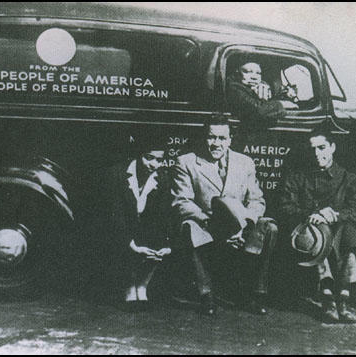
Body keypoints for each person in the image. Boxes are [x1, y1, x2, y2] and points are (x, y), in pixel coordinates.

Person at [171, 116, 278, 316]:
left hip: (240, 225)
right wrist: (212, 224)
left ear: (230, 140)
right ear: (205, 138)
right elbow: (182, 202)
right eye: (212, 137)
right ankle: (206, 294)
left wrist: (245, 224)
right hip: (206, 224)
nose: (216, 143)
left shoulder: (245, 163)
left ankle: (252, 294)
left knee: (269, 228)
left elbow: (257, 200)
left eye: (222, 138)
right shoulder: (186, 162)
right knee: (188, 227)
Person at [279, 126, 356, 323]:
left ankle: (343, 296)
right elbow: (285, 207)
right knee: (318, 236)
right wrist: (312, 215)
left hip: (341, 231)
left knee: (347, 231)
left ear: (332, 147)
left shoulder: (348, 178)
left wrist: (333, 215)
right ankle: (328, 296)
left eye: (322, 147)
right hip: (309, 233)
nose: (317, 154)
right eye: (313, 149)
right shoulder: (298, 177)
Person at [102, 140, 172, 310]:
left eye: (159, 160)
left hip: (142, 229)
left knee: (156, 240)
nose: (154, 164)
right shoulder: (116, 174)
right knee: (121, 240)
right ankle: (128, 286)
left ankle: (142, 285)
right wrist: (131, 245)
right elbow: (115, 216)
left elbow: (162, 217)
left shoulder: (162, 179)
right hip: (119, 229)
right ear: (138, 155)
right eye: (149, 158)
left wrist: (164, 245)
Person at [226, 61, 299, 128]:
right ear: (237, 72)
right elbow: (257, 110)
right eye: (248, 72)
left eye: (258, 73)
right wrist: (282, 104)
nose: (254, 77)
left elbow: (267, 103)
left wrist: (286, 96)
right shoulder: (233, 88)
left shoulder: (255, 87)